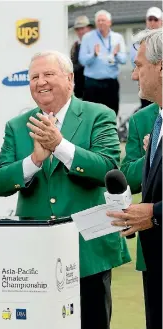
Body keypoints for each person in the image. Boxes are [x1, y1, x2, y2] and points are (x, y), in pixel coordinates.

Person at [0, 50, 130, 329]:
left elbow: (108, 167)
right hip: (36, 254)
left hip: (88, 250)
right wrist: (34, 161)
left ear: (69, 79)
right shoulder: (18, 125)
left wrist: (61, 146)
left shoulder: (97, 114)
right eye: (34, 77)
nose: (40, 82)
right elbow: (0, 181)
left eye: (48, 74)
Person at [108, 28, 162, 329]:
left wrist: (153, 213)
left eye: (139, 66)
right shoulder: (155, 123)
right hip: (155, 256)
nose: (133, 75)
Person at [120, 101, 159, 305]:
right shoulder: (141, 118)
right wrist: (151, 156)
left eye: (139, 67)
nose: (134, 75)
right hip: (153, 245)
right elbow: (128, 178)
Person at [79, 10, 127, 116]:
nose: (101, 23)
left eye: (103, 20)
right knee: (90, 115)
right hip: (92, 84)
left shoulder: (117, 37)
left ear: (109, 22)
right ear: (96, 23)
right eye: (98, 21)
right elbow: (82, 60)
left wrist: (116, 54)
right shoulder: (87, 37)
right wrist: (93, 55)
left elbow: (123, 59)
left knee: (111, 113)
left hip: (111, 83)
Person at [130, 7, 162, 109]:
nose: (152, 22)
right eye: (150, 19)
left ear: (161, 21)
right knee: (147, 111)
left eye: (155, 19)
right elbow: (134, 60)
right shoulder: (139, 40)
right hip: (146, 81)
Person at [70, 16, 94, 98]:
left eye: (82, 28)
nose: (80, 31)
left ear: (89, 28)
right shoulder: (75, 46)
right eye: (77, 29)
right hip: (79, 88)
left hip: (93, 87)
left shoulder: (95, 45)